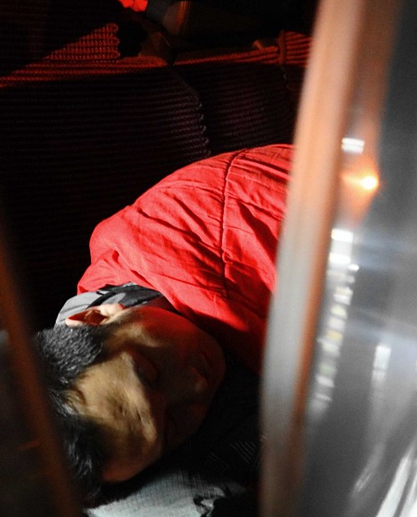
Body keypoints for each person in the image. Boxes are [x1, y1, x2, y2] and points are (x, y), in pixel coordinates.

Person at [35, 144, 292, 502]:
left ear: (96, 316)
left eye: (150, 373)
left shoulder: (208, 219)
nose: (196, 385)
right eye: (170, 427)